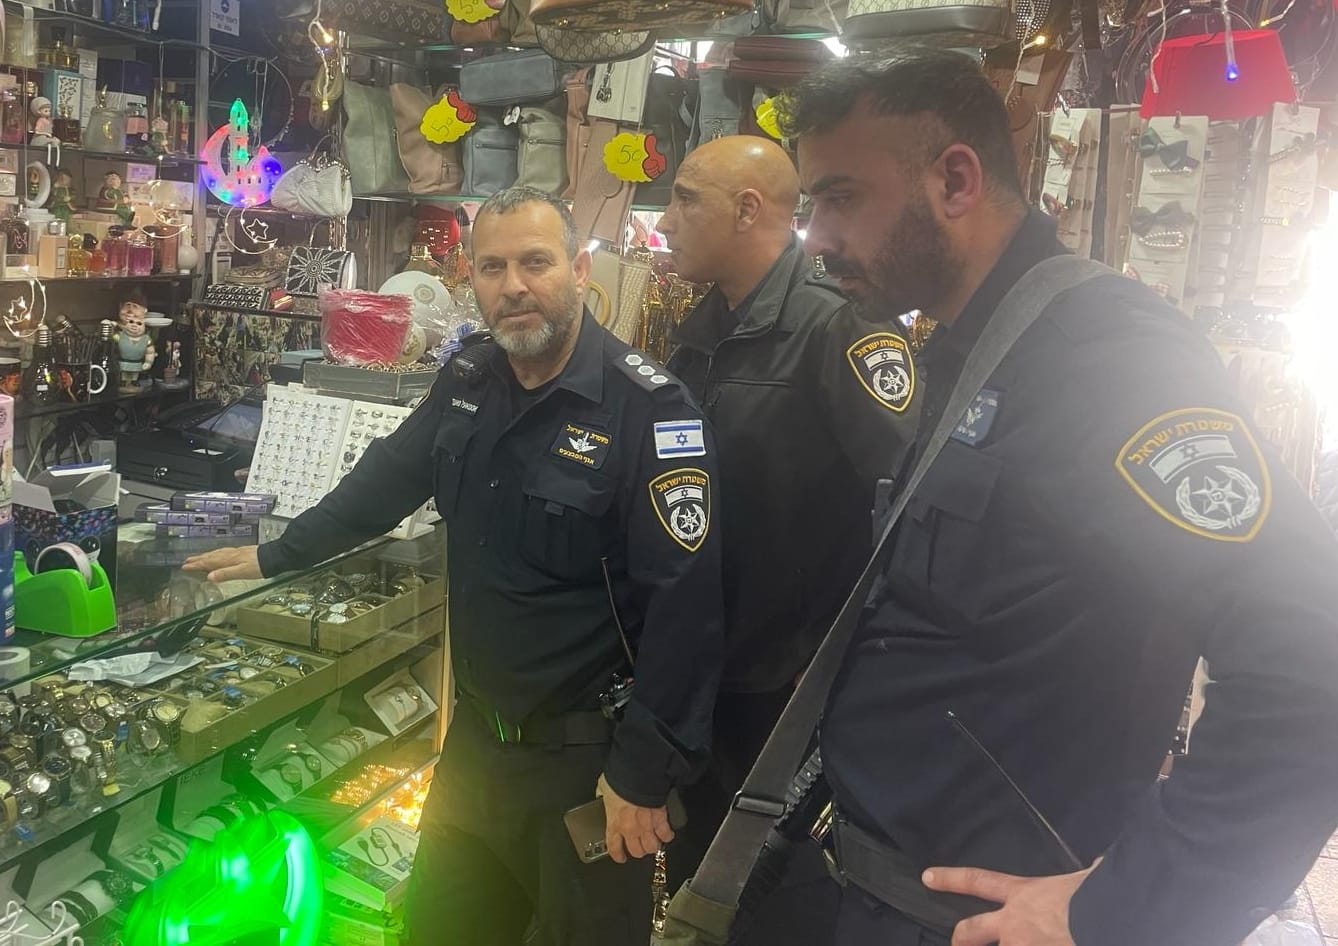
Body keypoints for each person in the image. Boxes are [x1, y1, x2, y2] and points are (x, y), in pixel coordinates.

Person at [776, 49, 1338, 946]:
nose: (815, 236)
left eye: (840, 197)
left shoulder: (1104, 357)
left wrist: (1130, 908)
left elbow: (1312, 660)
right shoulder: (981, 346)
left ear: (955, 181)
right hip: (885, 891)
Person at [183, 186, 725, 946]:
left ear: (578, 269)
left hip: (586, 764)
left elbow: (687, 610)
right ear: (471, 279)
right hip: (473, 748)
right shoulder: (469, 378)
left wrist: (643, 773)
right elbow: (386, 479)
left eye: (536, 263)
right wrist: (278, 553)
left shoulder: (650, 411)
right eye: (493, 267)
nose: (514, 286)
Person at [653, 135, 917, 933]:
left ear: (747, 210)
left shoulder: (841, 326)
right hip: (711, 672)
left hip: (793, 694)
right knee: (706, 892)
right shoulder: (703, 326)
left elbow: (914, 498)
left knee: (781, 904)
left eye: (685, 198)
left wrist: (857, 666)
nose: (665, 221)